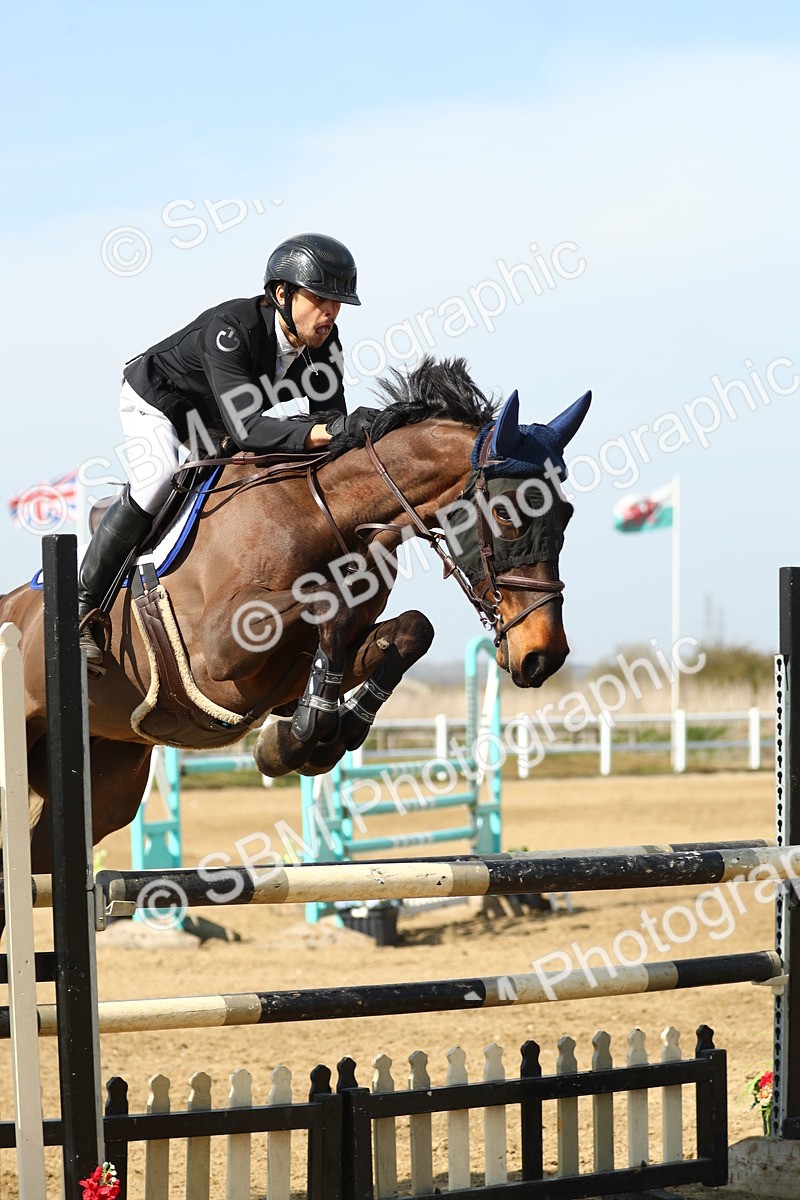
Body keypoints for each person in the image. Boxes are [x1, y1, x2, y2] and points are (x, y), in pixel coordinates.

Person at [78, 232, 375, 675]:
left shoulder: (324, 346)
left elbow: (332, 426)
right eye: (320, 299)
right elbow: (250, 428)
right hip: (158, 399)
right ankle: (82, 607)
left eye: (337, 303)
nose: (330, 312)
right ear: (282, 294)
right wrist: (325, 432)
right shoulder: (232, 329)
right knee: (159, 475)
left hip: (218, 418)